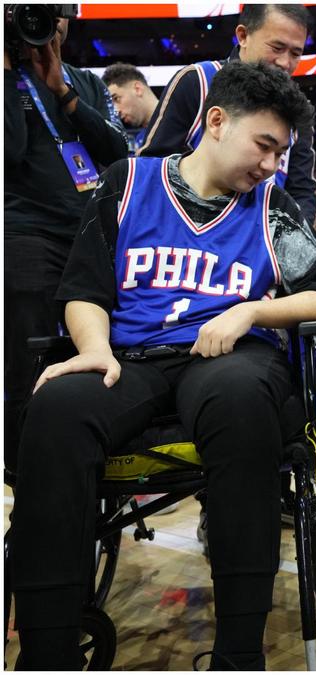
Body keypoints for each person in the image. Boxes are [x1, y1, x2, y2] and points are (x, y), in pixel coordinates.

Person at [8, 61, 316, 671]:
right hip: (131, 358)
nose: (272, 165)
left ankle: (240, 651)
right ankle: (45, 651)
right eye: (264, 146)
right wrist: (93, 349)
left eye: (281, 152)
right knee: (56, 408)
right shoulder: (126, 181)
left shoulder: (271, 207)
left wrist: (249, 313)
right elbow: (84, 289)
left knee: (241, 397)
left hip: (227, 360)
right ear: (216, 121)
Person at [4, 9, 129, 468]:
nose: (49, 23)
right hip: (25, 238)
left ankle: (100, 479)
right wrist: (6, 68)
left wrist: (63, 92)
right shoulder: (6, 78)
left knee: (104, 356)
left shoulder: (84, 81)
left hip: (88, 236)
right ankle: (22, 482)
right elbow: (10, 149)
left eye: (56, 13)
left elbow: (119, 156)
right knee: (25, 366)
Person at [138, 3, 316, 225]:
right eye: (277, 47)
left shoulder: (297, 109)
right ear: (243, 36)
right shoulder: (198, 82)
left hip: (259, 245)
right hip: (186, 236)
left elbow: (302, 191)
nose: (285, 62)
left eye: (296, 53)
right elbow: (153, 169)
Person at [101, 62, 159, 150]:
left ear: (137, 89)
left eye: (117, 99)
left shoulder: (181, 122)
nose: (116, 111)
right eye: (111, 105)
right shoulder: (141, 139)